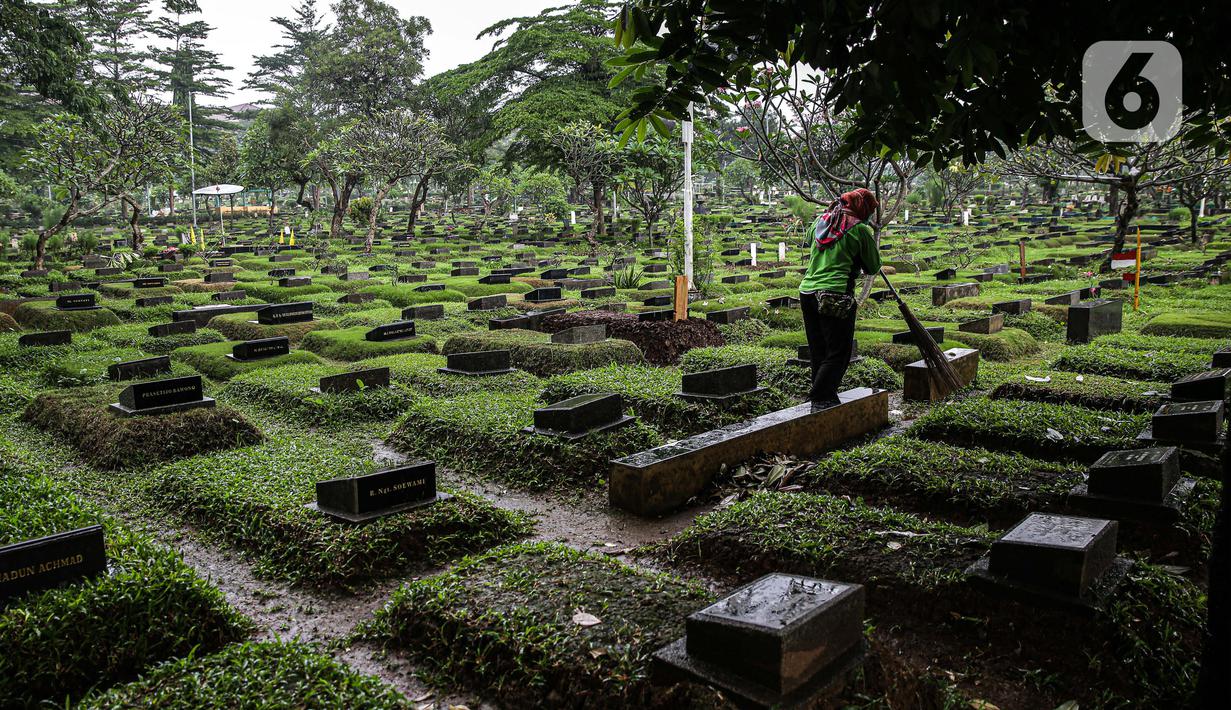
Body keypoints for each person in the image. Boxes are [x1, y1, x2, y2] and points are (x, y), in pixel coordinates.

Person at [798, 188, 882, 407]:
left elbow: (810, 239)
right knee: (838, 352)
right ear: (862, 208)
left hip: (807, 292)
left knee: (819, 350)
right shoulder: (860, 230)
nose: (870, 215)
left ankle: (821, 398)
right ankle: (821, 396)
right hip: (835, 294)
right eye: (870, 210)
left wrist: (830, 214)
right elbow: (872, 266)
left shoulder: (821, 221)